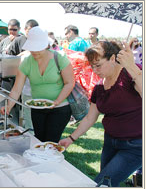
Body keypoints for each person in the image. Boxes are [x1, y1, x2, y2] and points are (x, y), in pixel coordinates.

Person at [59, 41, 142, 187]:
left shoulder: (132, 74)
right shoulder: (99, 86)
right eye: (92, 66)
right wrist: (71, 138)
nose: (95, 70)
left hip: (135, 145)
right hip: (110, 142)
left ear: (112, 58)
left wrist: (131, 67)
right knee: (106, 184)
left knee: (101, 183)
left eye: (98, 65)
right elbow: (91, 117)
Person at [0, 26, 75, 143]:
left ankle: (51, 160)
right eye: (32, 48)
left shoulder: (60, 58)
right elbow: (16, 89)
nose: (34, 52)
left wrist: (57, 101)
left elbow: (69, 83)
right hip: (37, 108)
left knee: (51, 141)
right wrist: (9, 106)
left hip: (60, 108)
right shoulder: (26, 62)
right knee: (39, 140)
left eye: (37, 48)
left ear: (46, 45)